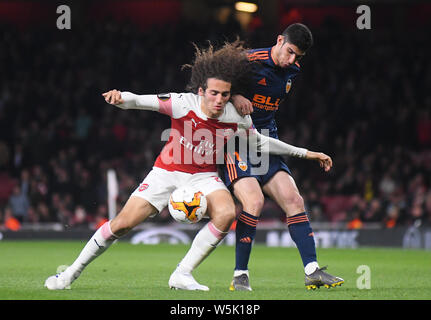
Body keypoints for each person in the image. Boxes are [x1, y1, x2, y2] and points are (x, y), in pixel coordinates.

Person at [44, 40, 332, 291]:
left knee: (227, 212)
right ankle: (70, 273)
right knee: (121, 224)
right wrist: (120, 98)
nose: (219, 100)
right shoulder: (183, 103)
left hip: (203, 177)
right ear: (201, 91)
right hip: (166, 173)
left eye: (225, 94)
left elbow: (261, 143)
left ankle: (182, 274)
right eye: (214, 94)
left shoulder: (236, 115)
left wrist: (307, 153)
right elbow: (140, 102)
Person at [224, 24, 344, 291]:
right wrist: (235, 95)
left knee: (294, 200)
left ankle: (312, 271)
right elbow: (209, 85)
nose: (292, 60)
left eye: (298, 57)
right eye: (289, 52)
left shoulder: (293, 72)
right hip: (237, 142)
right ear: (279, 40)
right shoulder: (248, 61)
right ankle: (240, 275)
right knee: (253, 202)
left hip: (267, 142)